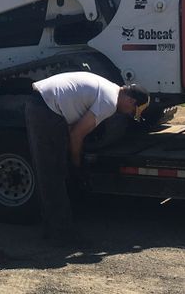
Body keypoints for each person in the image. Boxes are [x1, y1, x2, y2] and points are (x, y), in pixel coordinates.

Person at [25, 71, 150, 243]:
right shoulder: (109, 102)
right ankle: (61, 235)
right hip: (46, 108)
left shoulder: (109, 88)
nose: (128, 114)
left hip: (44, 103)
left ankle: (52, 229)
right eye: (132, 112)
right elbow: (77, 135)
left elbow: (73, 124)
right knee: (53, 173)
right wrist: (76, 164)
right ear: (131, 101)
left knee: (52, 172)